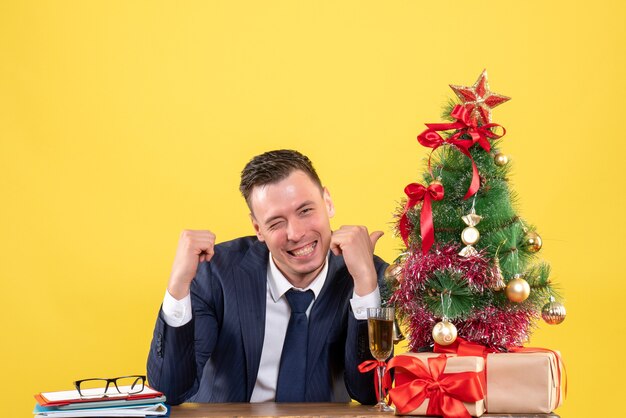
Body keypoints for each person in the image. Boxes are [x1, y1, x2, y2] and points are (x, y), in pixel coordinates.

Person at [146, 149, 388, 405]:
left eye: (305, 210)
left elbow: (370, 394)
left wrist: (364, 284)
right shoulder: (216, 273)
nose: (295, 233)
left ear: (327, 202)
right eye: (275, 223)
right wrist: (177, 285)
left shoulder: (366, 273)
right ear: (258, 229)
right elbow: (170, 390)